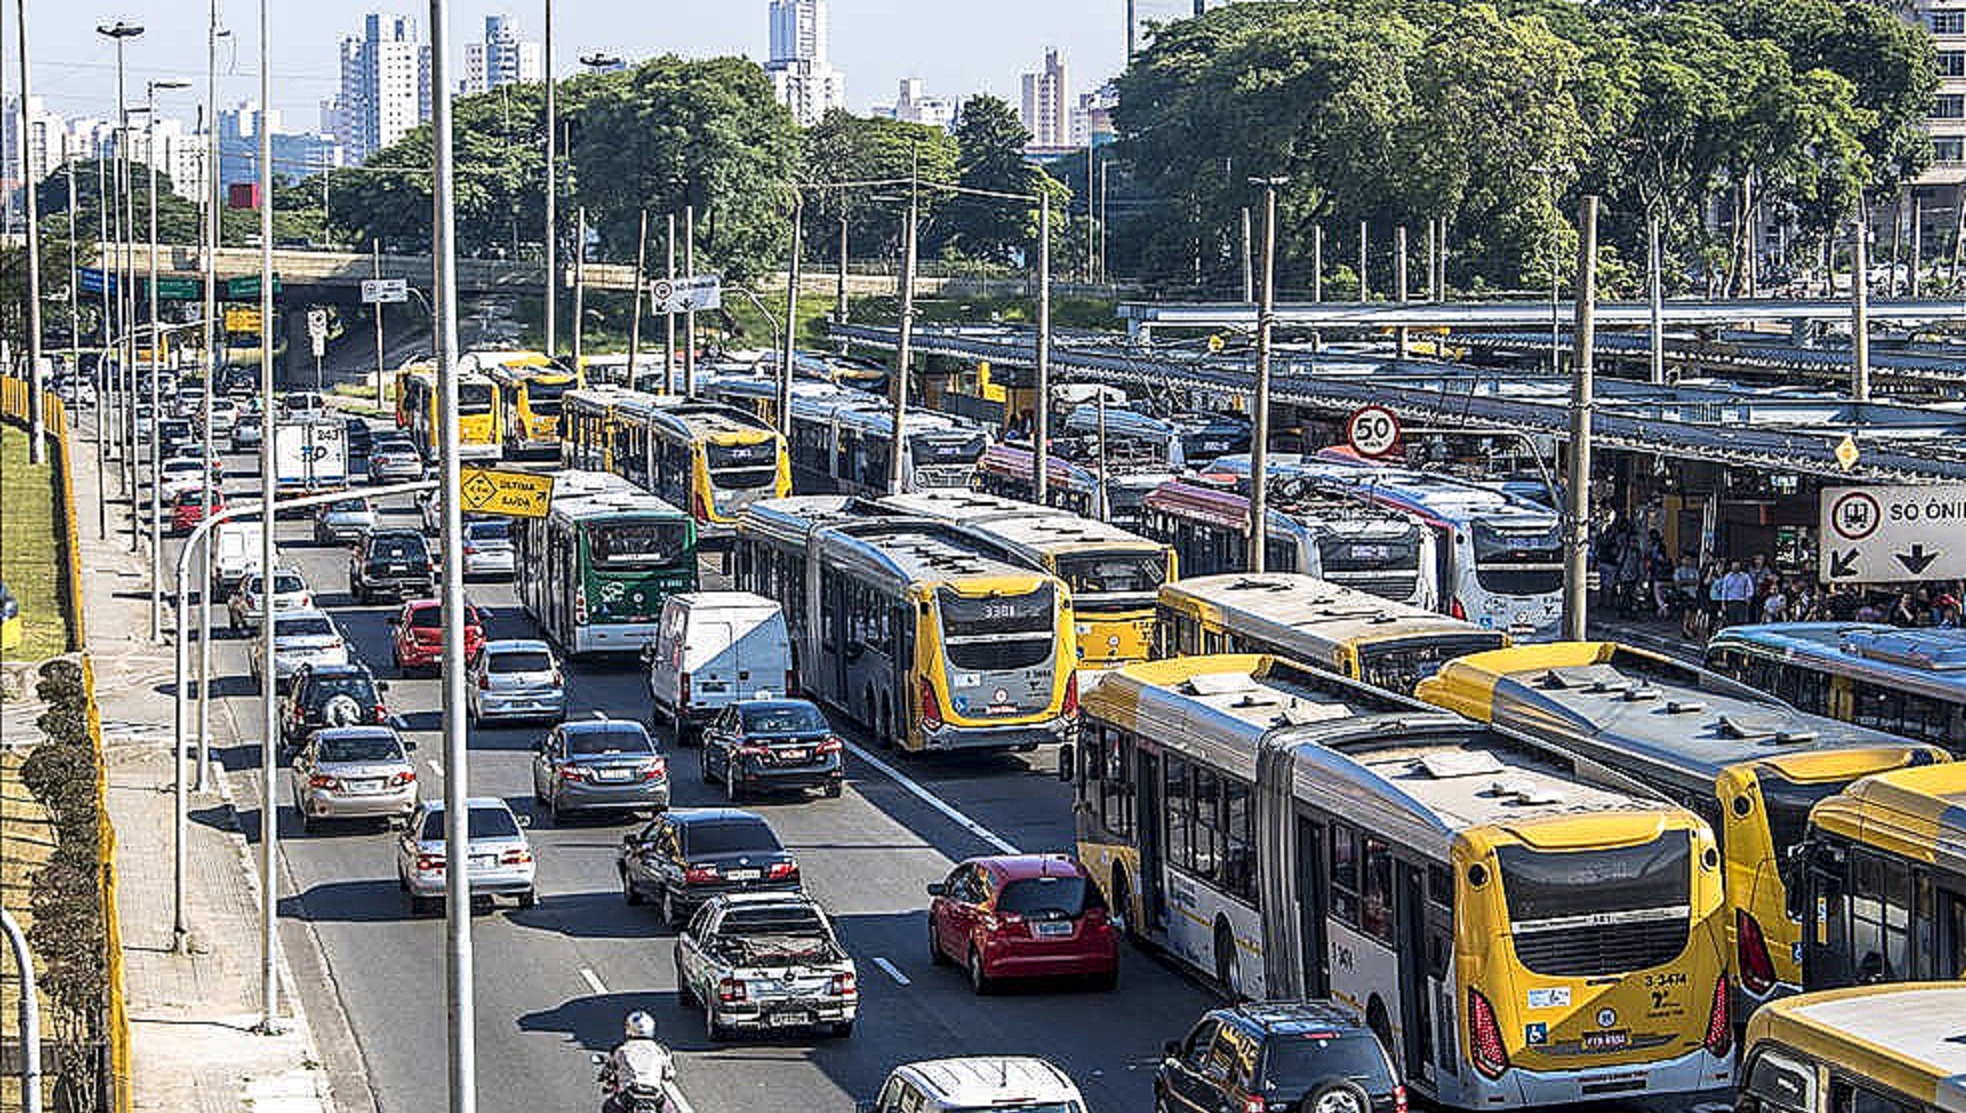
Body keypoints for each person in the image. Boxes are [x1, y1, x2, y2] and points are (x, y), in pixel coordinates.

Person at [601, 1011, 674, 1113]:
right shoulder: (661, 1050)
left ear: (629, 1028)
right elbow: (669, 1075)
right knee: (670, 1109)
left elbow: (608, 1069)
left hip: (629, 1095)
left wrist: (606, 1075)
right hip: (655, 1095)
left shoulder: (620, 1049)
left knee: (608, 1107)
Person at [1717, 560, 1756, 628]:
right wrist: (1723, 603)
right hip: (1731, 602)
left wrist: (1748, 596)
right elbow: (1724, 591)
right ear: (1731, 566)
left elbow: (1751, 588)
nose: (1735, 567)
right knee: (1731, 622)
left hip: (1741, 602)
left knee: (1741, 623)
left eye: (1737, 565)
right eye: (1734, 565)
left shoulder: (1745, 576)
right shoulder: (1727, 577)